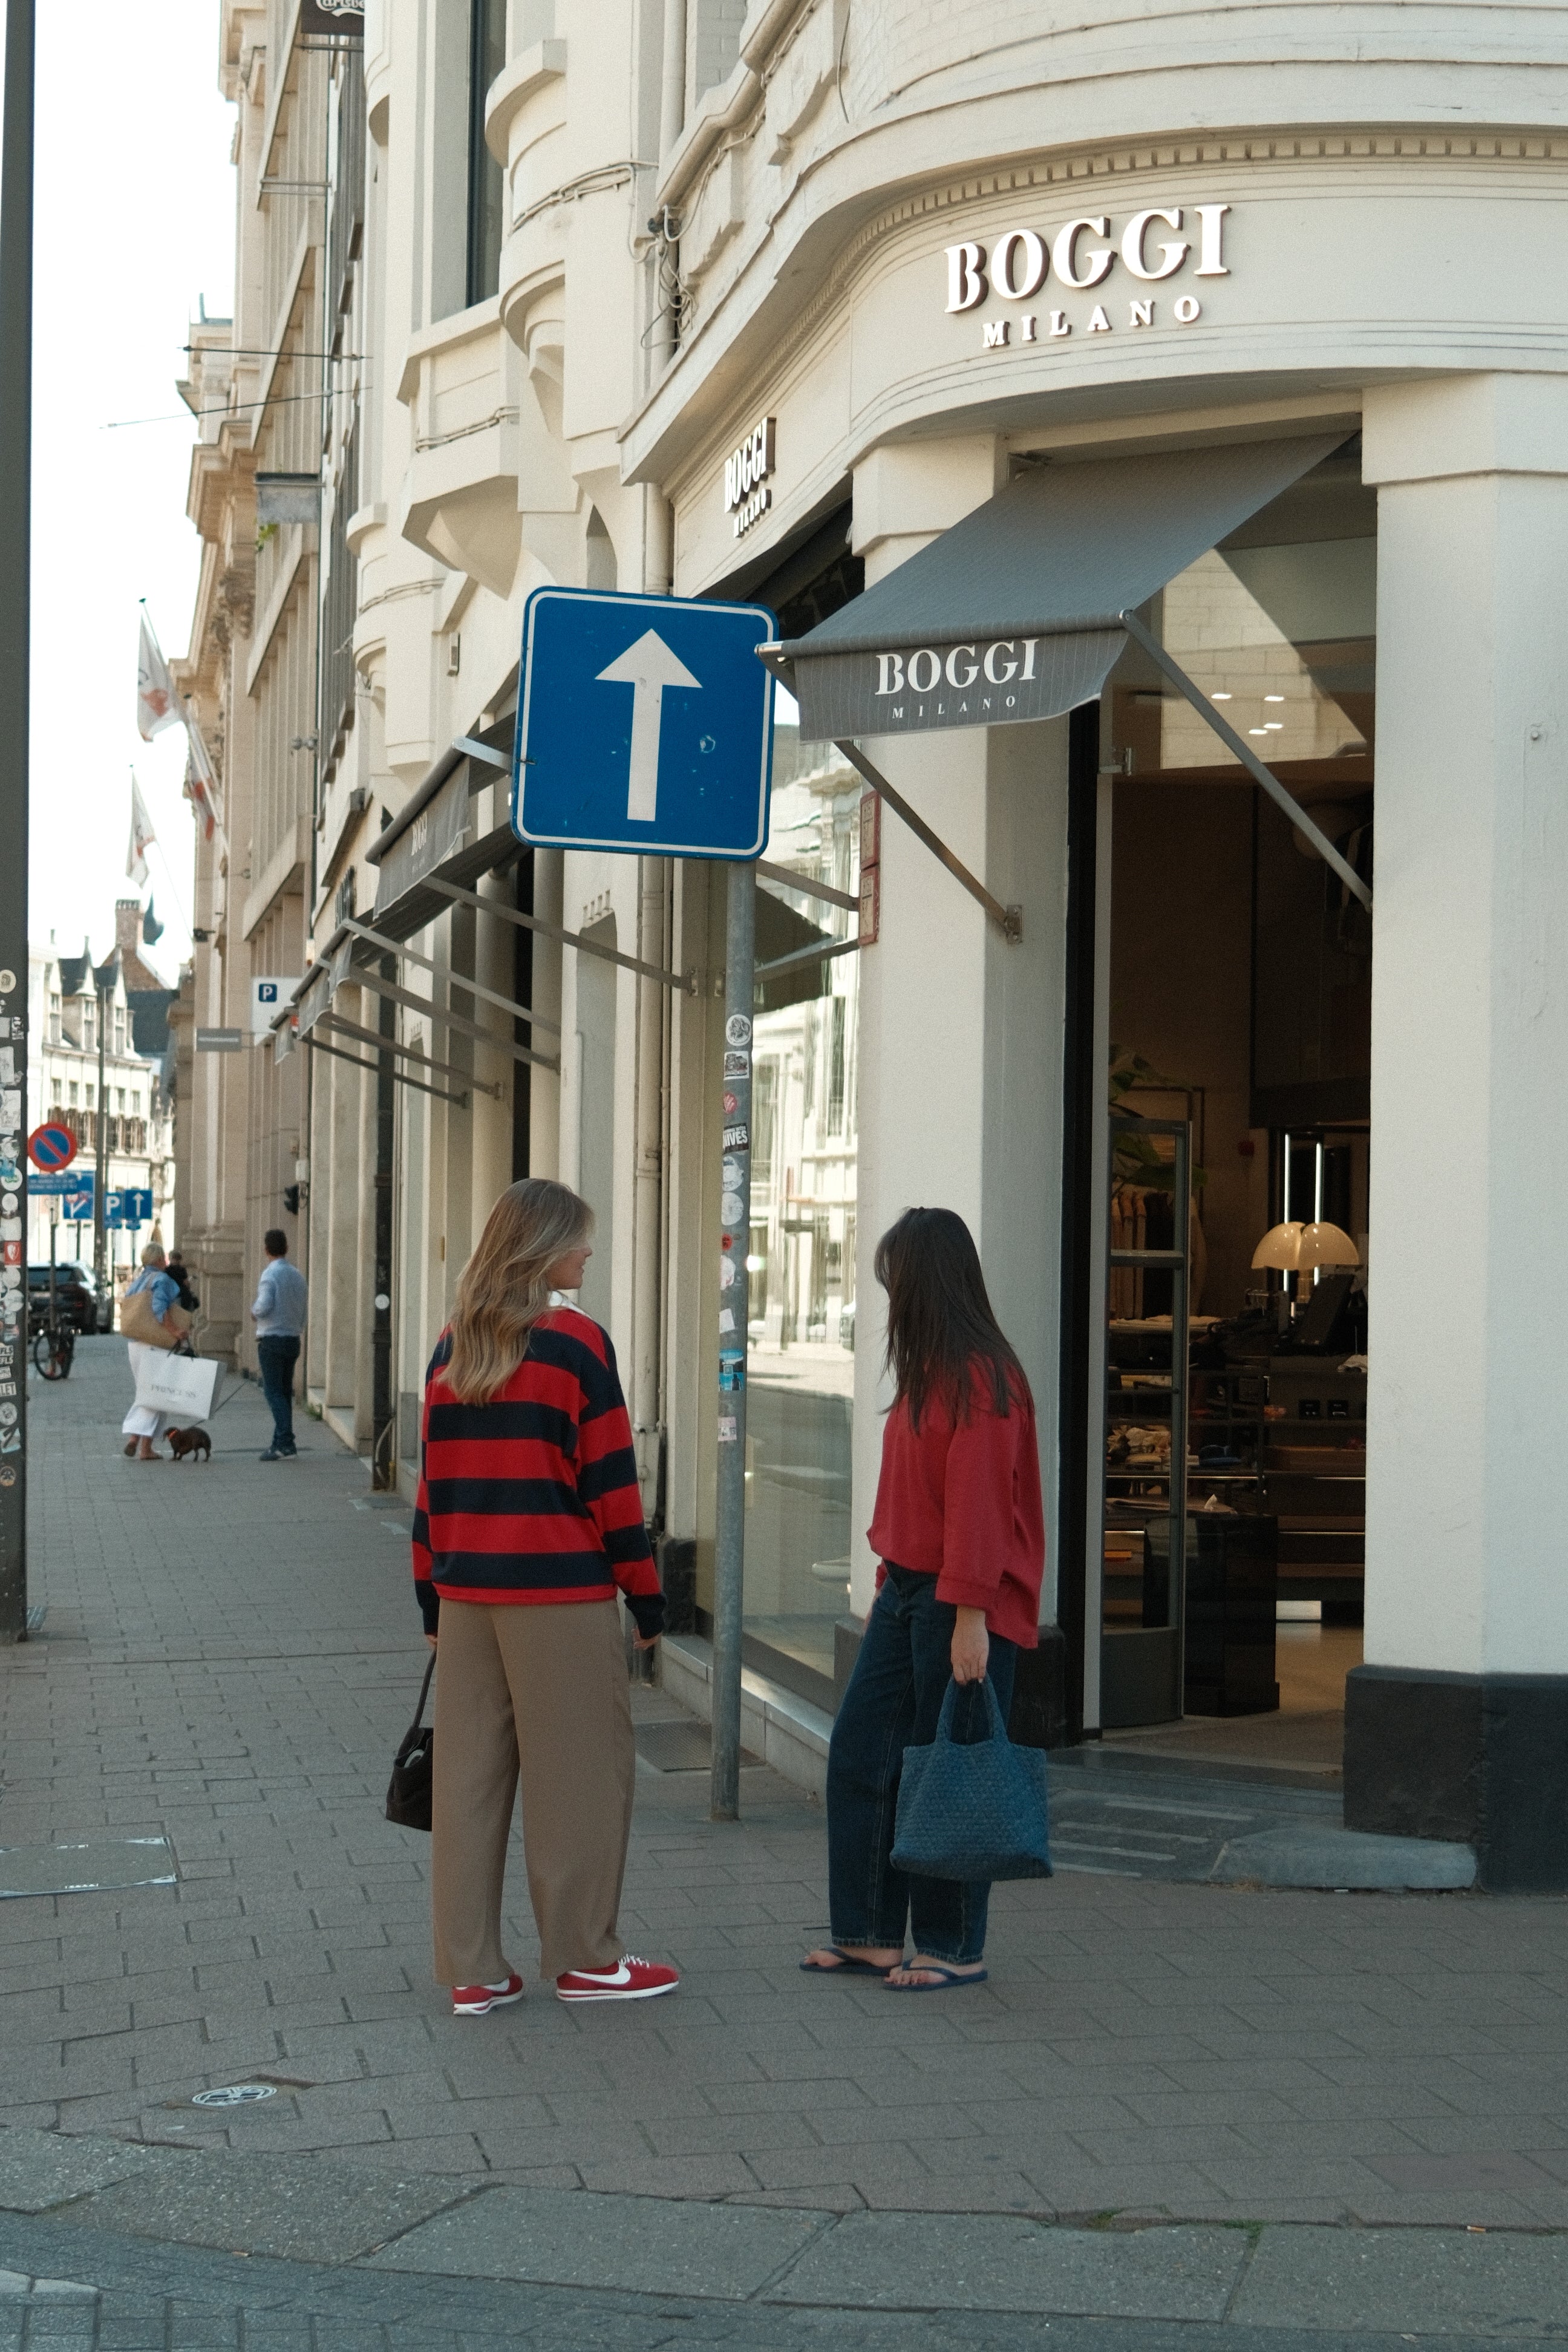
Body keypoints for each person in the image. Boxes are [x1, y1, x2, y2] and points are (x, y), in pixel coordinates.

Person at [413, 1177, 679, 2016]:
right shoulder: (577, 1345)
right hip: (559, 1596)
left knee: (467, 1784)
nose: (589, 1251)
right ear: (543, 1247)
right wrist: (647, 1598)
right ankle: (586, 1958)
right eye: (579, 1238)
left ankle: (473, 1971)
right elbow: (612, 1488)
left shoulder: (453, 1345)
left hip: (466, 1598)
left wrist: (430, 1599)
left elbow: (432, 1489)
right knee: (581, 1781)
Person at [802, 1206, 1045, 1993]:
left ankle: (952, 1946)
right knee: (863, 1753)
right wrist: (885, 1584)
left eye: (894, 1279)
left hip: (960, 1599)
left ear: (924, 1282)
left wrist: (971, 1618)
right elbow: (912, 1496)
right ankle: (870, 1934)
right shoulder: (931, 1371)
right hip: (907, 1590)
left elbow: (981, 1509)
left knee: (950, 1771)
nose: (888, 1294)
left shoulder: (983, 1379)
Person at [120, 1243, 182, 1462]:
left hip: (136, 1343)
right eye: (163, 1257)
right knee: (157, 1393)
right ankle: (137, 1440)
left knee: (149, 1392)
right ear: (157, 1260)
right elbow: (159, 1308)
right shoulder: (161, 1280)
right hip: (154, 1344)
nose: (166, 1261)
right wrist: (175, 1330)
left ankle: (143, 1446)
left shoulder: (138, 1281)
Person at [251, 1228, 307, 1462]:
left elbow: (264, 1306)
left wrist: (254, 1312)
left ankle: (285, 1442)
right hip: (293, 1339)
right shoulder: (297, 1275)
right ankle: (280, 1443)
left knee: (273, 1393)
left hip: (272, 1339)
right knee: (284, 1393)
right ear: (286, 1248)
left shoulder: (270, 1275)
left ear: (266, 1249)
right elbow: (303, 1308)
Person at [164, 1251, 200, 1315]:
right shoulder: (171, 1270)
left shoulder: (170, 1270)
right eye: (175, 1259)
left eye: (177, 1259)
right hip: (178, 1291)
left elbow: (186, 1281)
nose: (175, 1261)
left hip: (177, 1291)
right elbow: (185, 1282)